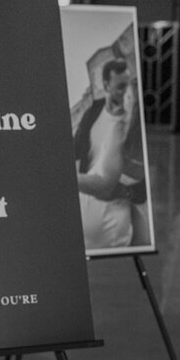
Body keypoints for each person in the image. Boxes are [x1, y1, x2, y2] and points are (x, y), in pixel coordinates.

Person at [73, 58, 149, 249]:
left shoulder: (134, 127)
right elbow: (77, 152)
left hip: (112, 232)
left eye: (132, 86)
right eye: (121, 86)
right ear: (106, 85)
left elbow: (139, 189)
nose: (127, 93)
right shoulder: (92, 112)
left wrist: (125, 192)